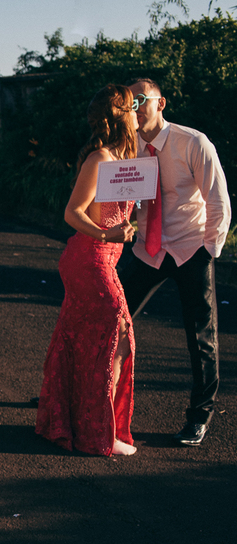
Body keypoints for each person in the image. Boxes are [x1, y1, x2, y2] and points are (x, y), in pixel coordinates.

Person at [120, 77, 231, 446]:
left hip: (190, 248)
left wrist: (208, 250)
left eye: (141, 100)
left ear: (161, 103)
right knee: (109, 319)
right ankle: (78, 396)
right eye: (129, 102)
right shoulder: (127, 148)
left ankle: (199, 417)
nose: (135, 108)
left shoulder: (193, 143)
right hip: (147, 250)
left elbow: (218, 202)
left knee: (201, 337)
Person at [36, 85, 140, 457]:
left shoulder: (127, 159)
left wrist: (127, 228)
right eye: (133, 106)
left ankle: (74, 423)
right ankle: (99, 432)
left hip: (107, 258)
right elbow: (72, 212)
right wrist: (107, 233)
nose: (137, 111)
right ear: (121, 115)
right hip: (88, 258)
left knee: (87, 342)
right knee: (117, 337)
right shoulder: (99, 159)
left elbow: (118, 211)